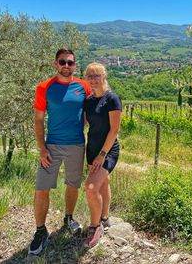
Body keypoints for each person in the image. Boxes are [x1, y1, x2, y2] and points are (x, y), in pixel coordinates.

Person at [29, 48, 91, 255]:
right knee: (41, 188)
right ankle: (40, 231)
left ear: (75, 65)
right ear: (55, 63)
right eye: (62, 62)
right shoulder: (44, 87)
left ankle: (68, 218)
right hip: (52, 147)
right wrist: (42, 149)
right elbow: (38, 120)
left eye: (70, 63)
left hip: (76, 145)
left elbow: (91, 112)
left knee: (73, 185)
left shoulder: (83, 87)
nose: (66, 66)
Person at [82, 62, 122, 248]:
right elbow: (84, 125)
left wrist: (102, 155)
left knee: (91, 188)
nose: (92, 79)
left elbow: (114, 130)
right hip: (92, 151)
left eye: (96, 75)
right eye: (89, 75)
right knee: (102, 183)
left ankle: (95, 225)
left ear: (104, 76)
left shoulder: (112, 99)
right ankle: (105, 218)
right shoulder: (88, 101)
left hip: (108, 151)